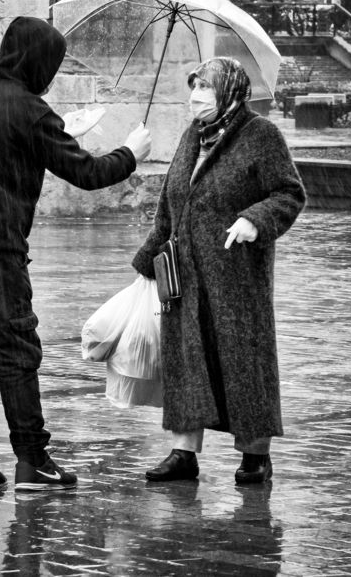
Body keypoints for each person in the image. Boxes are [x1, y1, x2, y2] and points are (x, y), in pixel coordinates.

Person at [0, 16, 152, 492]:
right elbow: (87, 174)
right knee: (16, 353)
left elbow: (4, 150)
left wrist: (61, 129)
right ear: (39, 62)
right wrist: (131, 151)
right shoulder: (30, 112)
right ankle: (32, 460)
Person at [131, 57, 305, 485]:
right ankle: (184, 452)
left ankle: (254, 455)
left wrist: (255, 220)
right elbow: (172, 205)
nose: (195, 98)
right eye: (193, 89)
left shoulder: (260, 135)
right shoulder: (194, 135)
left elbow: (289, 193)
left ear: (230, 93)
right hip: (185, 273)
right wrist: (146, 263)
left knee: (243, 362)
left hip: (236, 276)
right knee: (188, 359)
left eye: (205, 90)